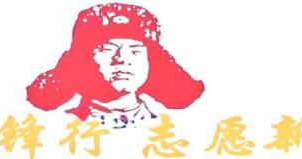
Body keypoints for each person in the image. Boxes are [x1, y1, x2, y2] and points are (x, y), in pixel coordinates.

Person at [26, 3, 204, 128]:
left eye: (135, 51)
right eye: (107, 49)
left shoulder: (164, 125)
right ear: (83, 59)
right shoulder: (59, 126)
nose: (122, 59)